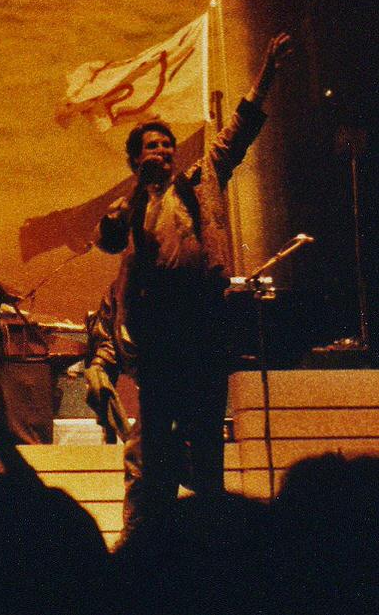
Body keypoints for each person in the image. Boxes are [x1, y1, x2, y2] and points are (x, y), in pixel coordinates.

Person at [94, 32, 291, 540]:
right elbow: (110, 242)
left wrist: (266, 71)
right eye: (149, 147)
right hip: (158, 348)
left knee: (205, 450)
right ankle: (141, 548)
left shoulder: (203, 181)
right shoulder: (129, 204)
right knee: (152, 454)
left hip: (204, 335)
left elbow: (239, 130)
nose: (161, 150)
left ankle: (211, 549)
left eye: (165, 144)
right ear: (135, 160)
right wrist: (141, 188)